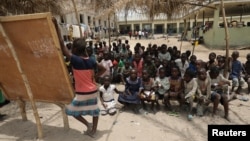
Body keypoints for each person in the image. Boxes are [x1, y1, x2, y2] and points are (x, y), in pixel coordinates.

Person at [53, 18, 106, 137]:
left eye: (72, 48)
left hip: (82, 92)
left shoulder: (75, 60)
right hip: (92, 90)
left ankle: (88, 124)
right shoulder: (91, 60)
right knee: (94, 111)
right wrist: (95, 77)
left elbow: (61, 43)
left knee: (71, 111)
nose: (70, 49)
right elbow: (103, 68)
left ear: (75, 49)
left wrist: (56, 25)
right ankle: (93, 131)